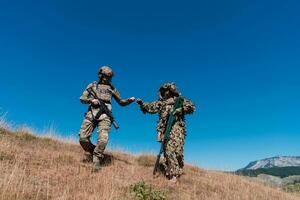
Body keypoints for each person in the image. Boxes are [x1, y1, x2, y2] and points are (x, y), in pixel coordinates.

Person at [79, 66, 135, 170]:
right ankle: (93, 152)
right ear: (101, 75)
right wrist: (91, 100)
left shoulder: (112, 88)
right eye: (105, 76)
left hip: (105, 115)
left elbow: (121, 102)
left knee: (103, 140)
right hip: (91, 114)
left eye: (109, 77)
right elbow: (82, 98)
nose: (107, 79)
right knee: (83, 138)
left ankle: (96, 160)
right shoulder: (92, 85)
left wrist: (128, 101)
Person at [136, 83, 195, 182]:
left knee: (178, 152)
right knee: (168, 150)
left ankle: (178, 168)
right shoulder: (161, 103)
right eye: (164, 90)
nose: (165, 92)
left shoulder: (179, 100)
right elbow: (150, 107)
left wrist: (181, 109)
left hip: (177, 128)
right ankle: (173, 175)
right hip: (165, 129)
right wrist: (142, 104)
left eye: (167, 90)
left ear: (171, 91)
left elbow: (191, 107)